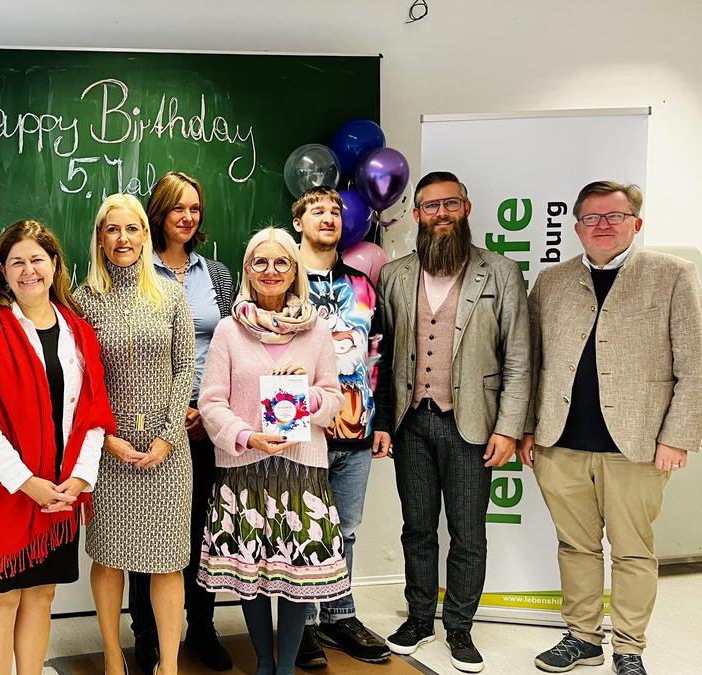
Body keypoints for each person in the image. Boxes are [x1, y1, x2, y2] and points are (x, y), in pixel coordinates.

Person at [521, 182, 702, 675]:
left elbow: (695, 364)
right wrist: (528, 429)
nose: (602, 225)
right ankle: (582, 637)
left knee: (633, 552)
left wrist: (677, 437)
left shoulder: (672, 276)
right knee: (575, 547)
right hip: (560, 444)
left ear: (636, 224)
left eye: (614, 217)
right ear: (577, 226)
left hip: (639, 447)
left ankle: (628, 647)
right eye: (591, 218)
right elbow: (532, 363)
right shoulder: (551, 281)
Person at [0, 219, 116, 675]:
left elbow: (93, 414)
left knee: (42, 595)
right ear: (2, 270)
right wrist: (27, 482)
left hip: (63, 489)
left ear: (55, 264)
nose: (28, 270)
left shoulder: (79, 331)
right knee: (3, 599)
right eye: (16, 261)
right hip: (8, 491)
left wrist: (79, 479)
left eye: (37, 260)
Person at [377, 171, 530, 673]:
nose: (440, 214)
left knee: (468, 532)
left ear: (465, 207)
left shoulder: (501, 272)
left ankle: (460, 628)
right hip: (410, 422)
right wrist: (380, 420)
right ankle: (420, 619)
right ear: (417, 214)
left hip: (472, 425)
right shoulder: (395, 273)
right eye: (429, 206)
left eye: (449, 204)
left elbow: (519, 358)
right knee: (416, 528)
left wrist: (509, 427)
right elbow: (382, 356)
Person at [197, 226, 347, 675]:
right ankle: (264, 662)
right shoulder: (228, 330)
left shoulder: (317, 331)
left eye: (281, 262)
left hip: (301, 470)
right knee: (253, 574)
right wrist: (247, 436)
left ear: (294, 270)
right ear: (247, 270)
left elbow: (334, 398)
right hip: (245, 469)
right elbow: (211, 402)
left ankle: (285, 668)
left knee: (298, 574)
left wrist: (307, 396)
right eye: (260, 262)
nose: (270, 270)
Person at [74, 194, 195, 675]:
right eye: (112, 230)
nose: (122, 239)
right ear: (100, 239)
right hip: (107, 450)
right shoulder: (83, 300)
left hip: (168, 451)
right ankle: (111, 653)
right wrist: (105, 437)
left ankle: (168, 664)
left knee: (167, 561)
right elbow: (79, 377)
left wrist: (166, 435)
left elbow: (185, 368)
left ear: (146, 234)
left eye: (132, 229)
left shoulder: (169, 294)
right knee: (107, 557)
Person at [130, 170, 236, 673]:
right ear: (159, 213)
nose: (188, 217)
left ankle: (203, 627)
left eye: (195, 208)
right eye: (177, 208)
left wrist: (208, 409)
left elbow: (230, 345)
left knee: (202, 531)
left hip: (210, 420)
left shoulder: (216, 275)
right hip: (151, 424)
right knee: (145, 531)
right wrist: (172, 418)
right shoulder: (134, 268)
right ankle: (146, 635)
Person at [291, 186, 393, 667]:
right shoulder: (279, 280)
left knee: (346, 528)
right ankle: (303, 622)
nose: (328, 218)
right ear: (298, 222)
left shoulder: (363, 284)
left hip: (356, 426)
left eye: (334, 211)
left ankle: (339, 613)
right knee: (304, 525)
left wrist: (383, 421)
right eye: (316, 210)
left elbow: (379, 354)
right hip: (299, 431)